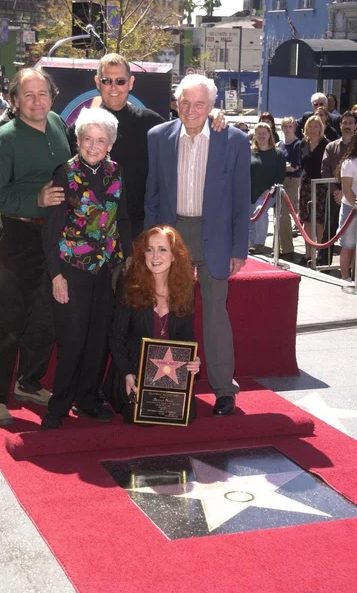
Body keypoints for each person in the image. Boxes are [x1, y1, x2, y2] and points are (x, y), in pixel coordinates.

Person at [145, 74, 251, 417]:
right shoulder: (158, 137)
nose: (191, 111)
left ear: (211, 107)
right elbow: (152, 193)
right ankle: (165, 388)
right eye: (185, 103)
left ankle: (223, 390)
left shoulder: (232, 139)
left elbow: (241, 197)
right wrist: (152, 243)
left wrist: (239, 248)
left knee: (216, 314)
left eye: (199, 104)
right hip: (171, 235)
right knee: (167, 308)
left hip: (215, 237)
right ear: (176, 102)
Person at [0, 68, 71, 426]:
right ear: (14, 101)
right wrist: (36, 199)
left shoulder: (60, 125)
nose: (37, 101)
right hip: (19, 235)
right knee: (12, 318)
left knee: (48, 317)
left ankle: (29, 383)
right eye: (28, 95)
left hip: (56, 234)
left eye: (43, 94)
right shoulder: (5, 138)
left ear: (52, 96)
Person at [68, 53, 227, 239]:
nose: (113, 87)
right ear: (97, 82)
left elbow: (189, 123)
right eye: (106, 80)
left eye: (120, 81)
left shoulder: (152, 123)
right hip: (92, 229)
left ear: (131, 82)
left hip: (141, 228)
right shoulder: (80, 128)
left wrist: (212, 114)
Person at [41, 107, 132, 429]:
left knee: (98, 338)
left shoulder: (116, 171)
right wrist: (56, 276)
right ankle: (59, 405)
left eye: (101, 140)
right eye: (88, 139)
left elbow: (122, 219)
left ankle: (88, 399)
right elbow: (51, 230)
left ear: (110, 144)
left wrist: (128, 260)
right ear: (78, 140)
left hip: (106, 270)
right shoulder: (63, 173)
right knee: (73, 339)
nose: (94, 146)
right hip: (72, 268)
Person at [105, 225, 200, 423]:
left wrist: (193, 359)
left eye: (163, 249)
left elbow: (186, 334)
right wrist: (128, 374)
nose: (155, 256)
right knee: (140, 418)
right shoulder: (129, 285)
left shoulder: (186, 288)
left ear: (174, 255)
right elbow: (116, 337)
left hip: (169, 374)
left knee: (186, 416)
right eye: (150, 249)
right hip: (134, 370)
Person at [318, 111, 357, 267]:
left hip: (353, 196)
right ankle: (323, 264)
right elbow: (325, 171)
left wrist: (346, 192)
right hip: (334, 196)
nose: (347, 126)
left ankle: (351, 268)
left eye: (350, 123)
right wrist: (337, 191)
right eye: (344, 123)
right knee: (330, 229)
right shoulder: (331, 146)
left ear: (355, 126)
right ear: (340, 125)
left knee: (351, 235)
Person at [249, 122, 286, 255]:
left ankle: (259, 243)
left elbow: (280, 174)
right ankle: (251, 244)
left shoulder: (278, 153)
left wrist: (269, 190)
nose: (261, 136)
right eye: (258, 133)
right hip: (250, 192)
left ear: (270, 134)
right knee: (249, 218)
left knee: (259, 211)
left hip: (269, 193)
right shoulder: (250, 152)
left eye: (264, 133)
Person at [298, 115, 329, 265]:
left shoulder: (326, 144)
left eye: (316, 126)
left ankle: (319, 253)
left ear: (320, 128)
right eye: (310, 126)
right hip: (305, 184)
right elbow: (302, 164)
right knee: (306, 219)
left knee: (319, 220)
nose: (313, 129)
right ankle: (308, 253)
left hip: (321, 185)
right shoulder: (303, 143)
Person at [277, 117, 301, 260]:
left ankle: (287, 250)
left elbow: (294, 166)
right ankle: (281, 246)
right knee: (278, 216)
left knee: (284, 214)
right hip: (280, 181)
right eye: (285, 126)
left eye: (290, 126)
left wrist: (280, 166)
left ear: (294, 128)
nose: (287, 129)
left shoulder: (298, 144)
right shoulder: (280, 144)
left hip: (292, 181)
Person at [337, 131, 357, 282]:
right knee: (348, 245)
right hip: (351, 208)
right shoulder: (349, 163)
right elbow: (347, 189)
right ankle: (345, 278)